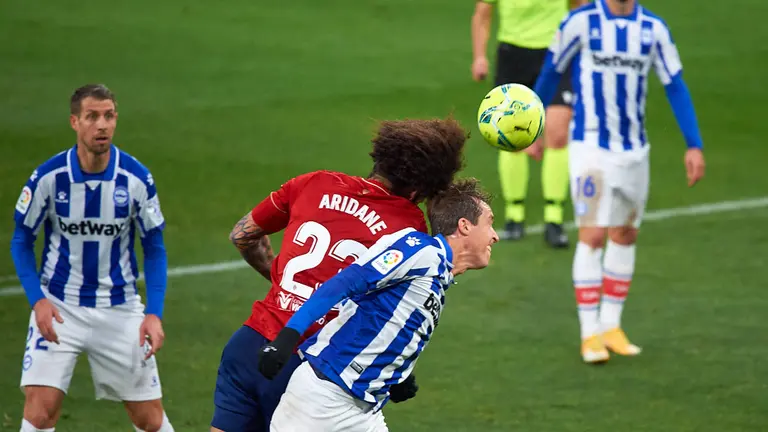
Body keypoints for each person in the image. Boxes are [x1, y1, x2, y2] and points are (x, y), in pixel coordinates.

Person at [210, 118, 467, 432]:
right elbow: (393, 308)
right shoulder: (409, 226)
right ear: (418, 188)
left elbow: (242, 235)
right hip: (305, 365)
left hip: (248, 346)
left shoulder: (313, 182)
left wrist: (287, 284)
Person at [533, 0, 706, 363]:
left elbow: (675, 85)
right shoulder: (580, 22)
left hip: (634, 153)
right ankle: (588, 333)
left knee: (625, 234)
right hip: (590, 148)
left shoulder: (653, 29)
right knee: (593, 234)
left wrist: (694, 144)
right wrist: (535, 127)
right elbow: (551, 71)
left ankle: (611, 326)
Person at [259, 178, 498, 431]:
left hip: (363, 409)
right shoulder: (420, 250)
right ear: (464, 226)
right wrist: (287, 336)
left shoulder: (438, 273)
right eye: (490, 223)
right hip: (323, 400)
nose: (495, 236)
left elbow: (386, 320)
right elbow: (345, 283)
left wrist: (397, 376)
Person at [10, 84, 174, 431]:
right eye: (92, 117)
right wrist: (37, 300)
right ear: (75, 122)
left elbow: (155, 247)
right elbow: (21, 238)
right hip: (59, 306)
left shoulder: (136, 179)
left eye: (109, 116)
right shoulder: (49, 178)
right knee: (39, 413)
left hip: (119, 308)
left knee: (150, 420)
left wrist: (154, 313)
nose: (102, 125)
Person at [472, 0, 587, 247]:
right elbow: (483, 13)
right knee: (511, 137)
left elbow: (580, 8)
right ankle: (515, 216)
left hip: (557, 54)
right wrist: (480, 56)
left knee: (557, 134)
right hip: (514, 56)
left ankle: (554, 219)